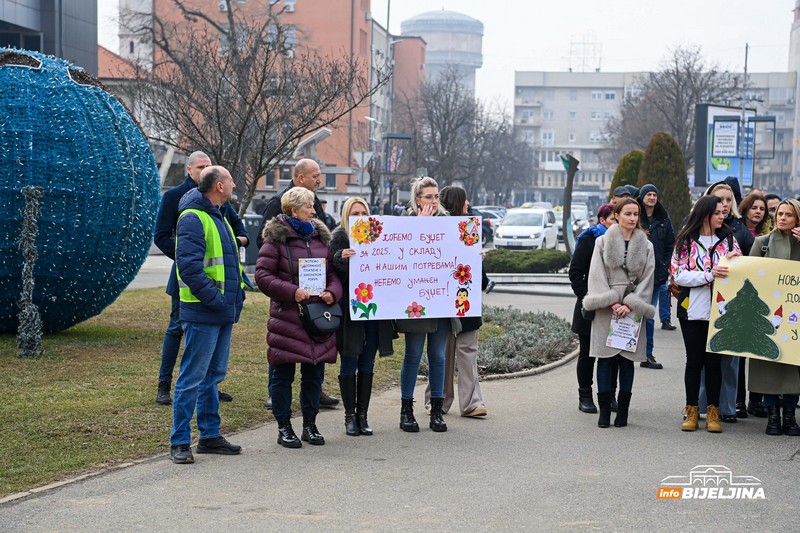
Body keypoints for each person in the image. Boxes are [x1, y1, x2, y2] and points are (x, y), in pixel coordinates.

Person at [153, 151, 246, 406]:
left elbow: (239, 228)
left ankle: (210, 387)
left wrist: (237, 240)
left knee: (212, 342)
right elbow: (161, 236)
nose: (206, 168)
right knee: (176, 328)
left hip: (216, 279)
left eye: (209, 165)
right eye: (201, 166)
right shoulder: (174, 197)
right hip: (188, 277)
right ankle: (164, 383)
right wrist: (189, 255)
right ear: (189, 170)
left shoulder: (219, 202)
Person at [169, 166, 247, 464]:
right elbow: (188, 268)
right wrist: (216, 299)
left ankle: (210, 435)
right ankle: (179, 442)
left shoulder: (219, 214)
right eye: (230, 180)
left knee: (213, 376)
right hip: (204, 311)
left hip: (221, 311)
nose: (234, 183)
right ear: (218, 185)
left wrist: (236, 295)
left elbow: (228, 264)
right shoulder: (193, 218)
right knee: (192, 377)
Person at [255, 187, 343, 448]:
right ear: (294, 210)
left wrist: (332, 292)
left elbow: (333, 276)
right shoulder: (276, 240)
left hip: (318, 319)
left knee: (314, 376)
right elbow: (262, 276)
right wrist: (292, 292)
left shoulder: (319, 238)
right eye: (309, 206)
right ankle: (284, 427)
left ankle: (310, 425)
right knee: (283, 376)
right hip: (288, 319)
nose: (314, 210)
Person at [582, 198, 655, 428]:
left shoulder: (647, 245)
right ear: (617, 214)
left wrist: (631, 304)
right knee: (604, 359)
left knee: (627, 361)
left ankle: (622, 411)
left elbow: (648, 278)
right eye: (628, 213)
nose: (633, 218)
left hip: (632, 311)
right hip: (607, 309)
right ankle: (604, 411)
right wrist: (611, 302)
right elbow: (596, 273)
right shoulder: (602, 242)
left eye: (636, 214)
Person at [671, 196, 740, 433]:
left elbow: (741, 271)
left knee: (714, 364)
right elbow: (679, 274)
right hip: (692, 310)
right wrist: (709, 275)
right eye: (718, 213)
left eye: (724, 212)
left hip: (722, 311)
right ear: (706, 214)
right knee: (694, 362)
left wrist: (735, 264)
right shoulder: (686, 241)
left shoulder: (729, 240)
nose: (723, 216)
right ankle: (691, 411)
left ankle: (713, 413)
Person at [330, 197, 396, 436]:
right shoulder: (339, 237)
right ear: (347, 216)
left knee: (368, 362)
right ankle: (349, 416)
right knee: (350, 360)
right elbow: (332, 271)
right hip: (351, 310)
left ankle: (363, 415)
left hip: (374, 311)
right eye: (354, 213)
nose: (359, 216)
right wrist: (340, 258)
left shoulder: (378, 236)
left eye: (363, 212)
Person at [422, 186, 488, 418]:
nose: (468, 204)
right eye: (465, 201)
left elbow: (480, 281)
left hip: (460, 304)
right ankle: (445, 400)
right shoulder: (445, 232)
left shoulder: (470, 233)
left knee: (458, 353)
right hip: (448, 304)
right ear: (458, 203)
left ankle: (458, 402)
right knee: (446, 354)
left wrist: (477, 260)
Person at [397, 177, 450, 433]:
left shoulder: (449, 224)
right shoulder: (405, 223)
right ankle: (406, 409)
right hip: (417, 301)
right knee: (413, 355)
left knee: (438, 356)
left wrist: (472, 255)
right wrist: (420, 228)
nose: (433, 201)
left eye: (436, 196)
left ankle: (437, 410)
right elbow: (400, 258)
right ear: (417, 199)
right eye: (428, 197)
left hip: (441, 300)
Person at [698, 181, 752, 423]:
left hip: (734, 303)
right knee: (702, 359)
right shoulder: (695, 229)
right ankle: (701, 404)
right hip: (703, 302)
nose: (725, 205)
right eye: (719, 200)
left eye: (729, 200)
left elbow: (751, 262)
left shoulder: (739, 230)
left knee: (730, 359)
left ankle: (728, 407)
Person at [748, 199, 800, 436]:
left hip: (795, 316)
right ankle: (772, 416)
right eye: (780, 213)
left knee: (793, 365)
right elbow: (749, 274)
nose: (783, 218)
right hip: (768, 314)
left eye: (789, 215)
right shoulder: (763, 242)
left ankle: (789, 415)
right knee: (768, 365)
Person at [569, 203, 616, 414]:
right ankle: (585, 396)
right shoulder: (590, 239)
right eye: (613, 219)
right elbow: (576, 271)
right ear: (602, 219)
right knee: (587, 354)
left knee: (612, 354)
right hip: (590, 306)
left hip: (614, 307)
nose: (617, 222)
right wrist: (586, 296)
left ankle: (609, 395)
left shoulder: (624, 240)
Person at [638, 184, 676, 374]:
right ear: (642, 197)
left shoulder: (664, 218)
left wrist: (665, 265)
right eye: (648, 194)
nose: (652, 197)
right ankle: (626, 351)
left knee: (649, 315)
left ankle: (647, 354)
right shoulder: (635, 215)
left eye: (654, 194)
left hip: (656, 275)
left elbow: (671, 244)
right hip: (636, 276)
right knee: (632, 314)